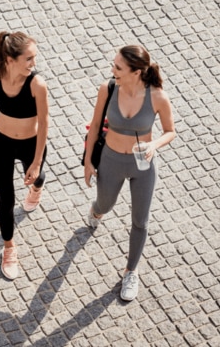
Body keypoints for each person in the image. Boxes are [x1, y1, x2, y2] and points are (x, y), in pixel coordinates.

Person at [83, 45, 176, 301]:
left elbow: (170, 131)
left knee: (140, 221)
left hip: (142, 166)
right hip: (110, 160)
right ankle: (96, 211)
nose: (112, 70)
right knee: (105, 204)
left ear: (136, 72)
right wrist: (88, 162)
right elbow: (93, 128)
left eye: (118, 67)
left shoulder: (158, 97)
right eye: (114, 64)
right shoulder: (109, 88)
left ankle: (130, 271)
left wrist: (153, 145)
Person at [0, 31, 49, 279]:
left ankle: (37, 188)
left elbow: (44, 123)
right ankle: (9, 247)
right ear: (10, 60)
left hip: (30, 144)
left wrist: (35, 162)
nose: (34, 64)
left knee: (37, 177)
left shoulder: (37, 84)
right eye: (29, 59)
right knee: (6, 199)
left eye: (34, 58)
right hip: (0, 142)